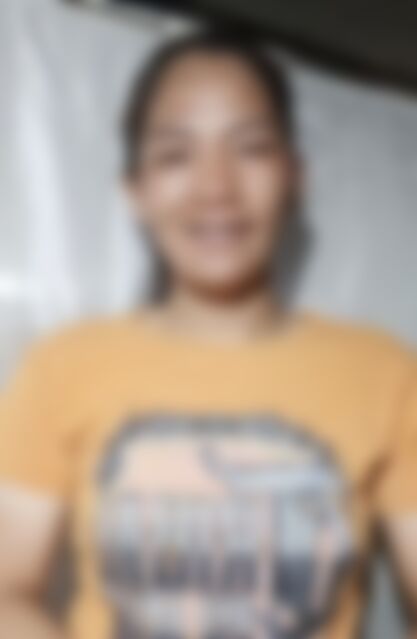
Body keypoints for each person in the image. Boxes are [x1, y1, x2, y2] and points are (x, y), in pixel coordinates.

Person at [0, 28, 416, 639]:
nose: (216, 187)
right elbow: (6, 590)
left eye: (251, 149)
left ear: (294, 176)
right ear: (136, 191)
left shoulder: (387, 375)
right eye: (175, 156)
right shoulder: (63, 366)